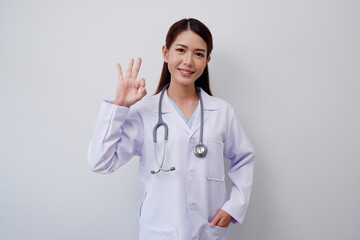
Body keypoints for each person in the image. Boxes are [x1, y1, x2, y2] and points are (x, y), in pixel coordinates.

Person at [88, 18, 255, 240]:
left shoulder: (222, 112)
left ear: (207, 60)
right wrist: (119, 107)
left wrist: (234, 206)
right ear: (166, 53)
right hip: (160, 232)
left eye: (198, 54)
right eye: (181, 50)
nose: (188, 61)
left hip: (208, 231)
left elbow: (244, 159)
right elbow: (100, 162)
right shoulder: (144, 113)